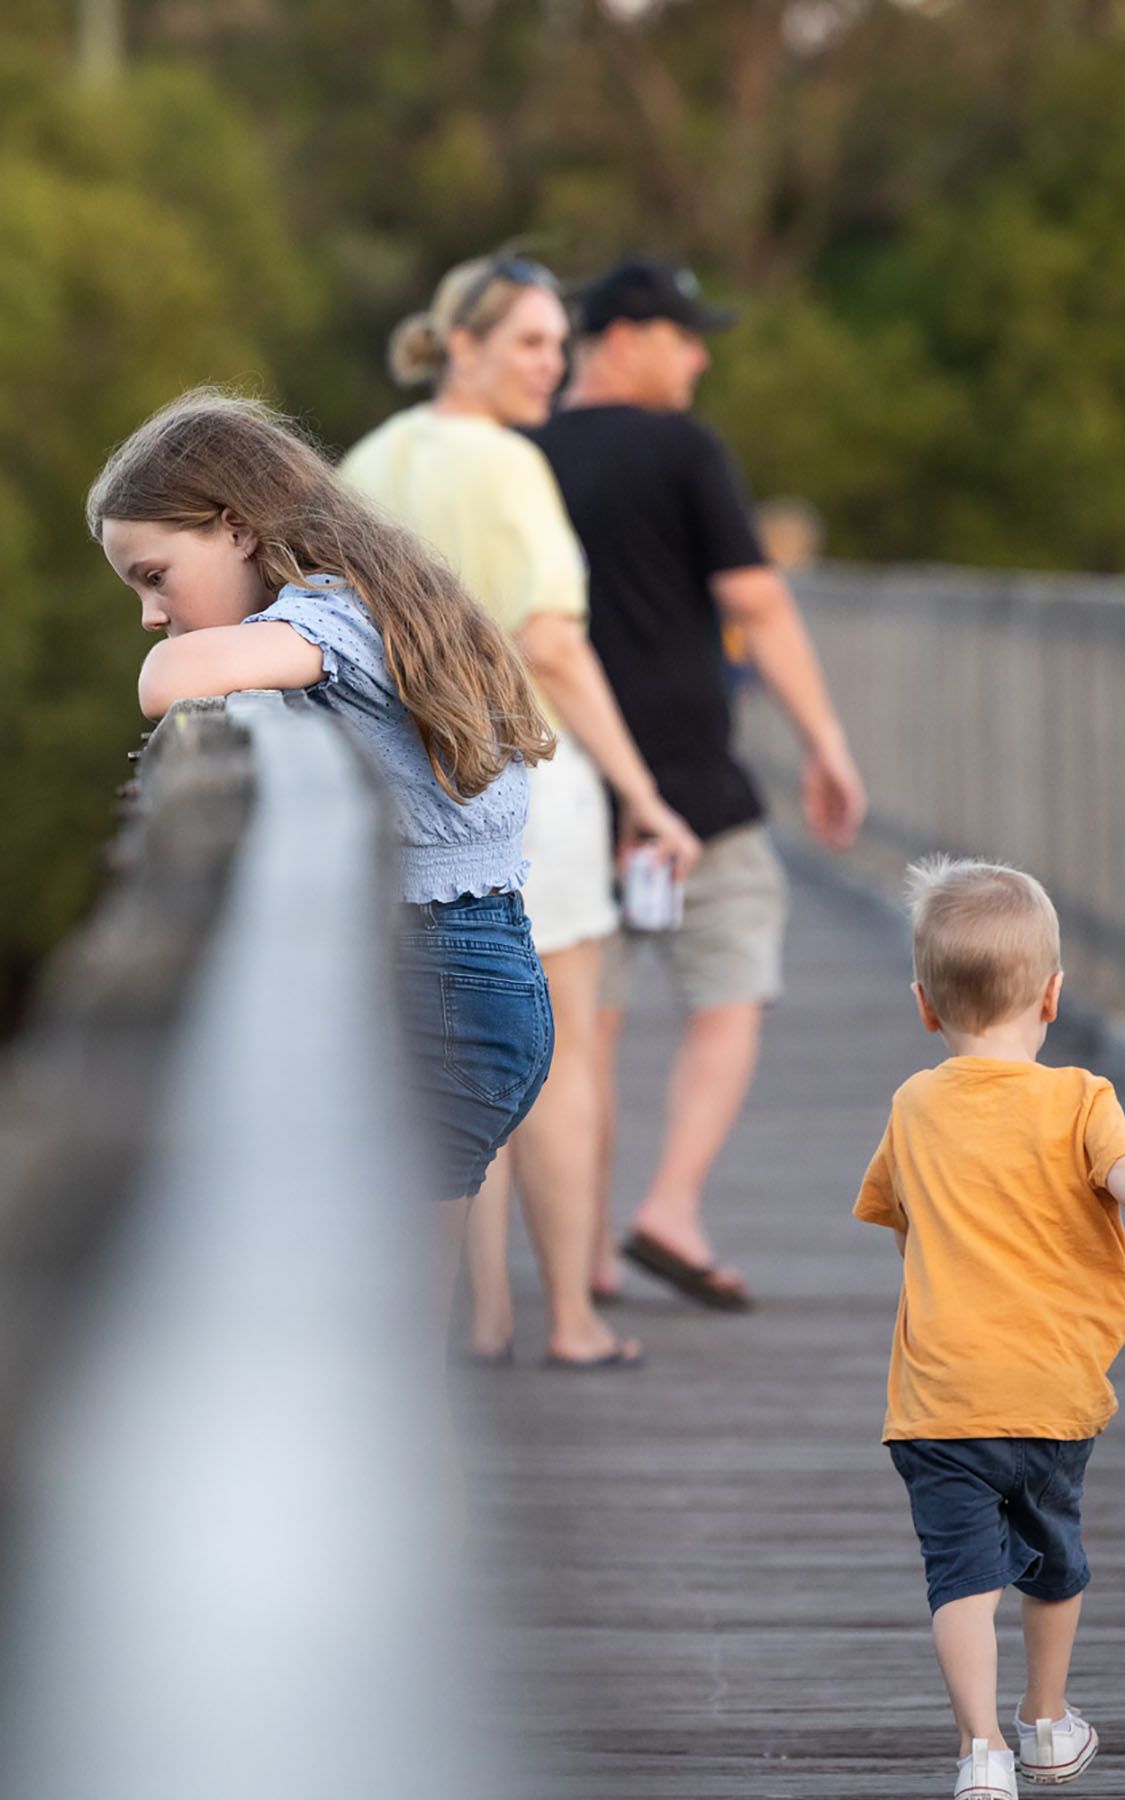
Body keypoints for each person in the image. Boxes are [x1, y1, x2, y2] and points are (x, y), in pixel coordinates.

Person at [87, 388, 556, 1236]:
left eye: (155, 579)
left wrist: (174, 655)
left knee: (390, 1303)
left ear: (237, 528)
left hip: (441, 983)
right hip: (468, 973)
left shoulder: (330, 615)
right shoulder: (366, 599)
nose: (152, 615)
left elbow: (167, 683)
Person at [343, 255, 699, 1371]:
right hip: (521, 780)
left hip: (403, 789)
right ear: (466, 347)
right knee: (560, 1052)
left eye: (559, 343)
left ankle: (481, 1316)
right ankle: (573, 1322)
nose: (555, 363)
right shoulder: (507, 464)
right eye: (533, 344)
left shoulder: (369, 459)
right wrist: (644, 792)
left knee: (455, 1047)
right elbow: (552, 641)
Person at [527, 255, 867, 1312]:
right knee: (730, 990)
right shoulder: (682, 448)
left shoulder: (520, 454)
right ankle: (669, 1205)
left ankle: (581, 1250)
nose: (702, 354)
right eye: (685, 335)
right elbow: (757, 604)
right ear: (624, 337)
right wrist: (825, 740)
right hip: (695, 791)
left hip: (566, 791)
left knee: (589, 1028)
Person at [854, 857, 1125, 1800]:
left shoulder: (913, 1105)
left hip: (939, 1400)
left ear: (924, 1006)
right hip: (1051, 1392)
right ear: (1055, 996)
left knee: (961, 1581)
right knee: (1054, 1562)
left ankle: (980, 1749)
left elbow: (897, 1214)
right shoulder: (1082, 1100)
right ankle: (1046, 1724)